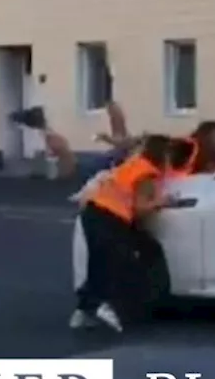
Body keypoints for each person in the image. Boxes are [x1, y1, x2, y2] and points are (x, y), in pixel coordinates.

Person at [71, 134, 170, 332]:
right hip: (110, 217)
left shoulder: (135, 164)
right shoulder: (147, 173)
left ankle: (83, 311)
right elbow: (140, 208)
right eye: (168, 155)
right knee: (116, 262)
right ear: (162, 155)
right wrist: (161, 202)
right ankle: (106, 306)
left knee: (99, 262)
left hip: (94, 212)